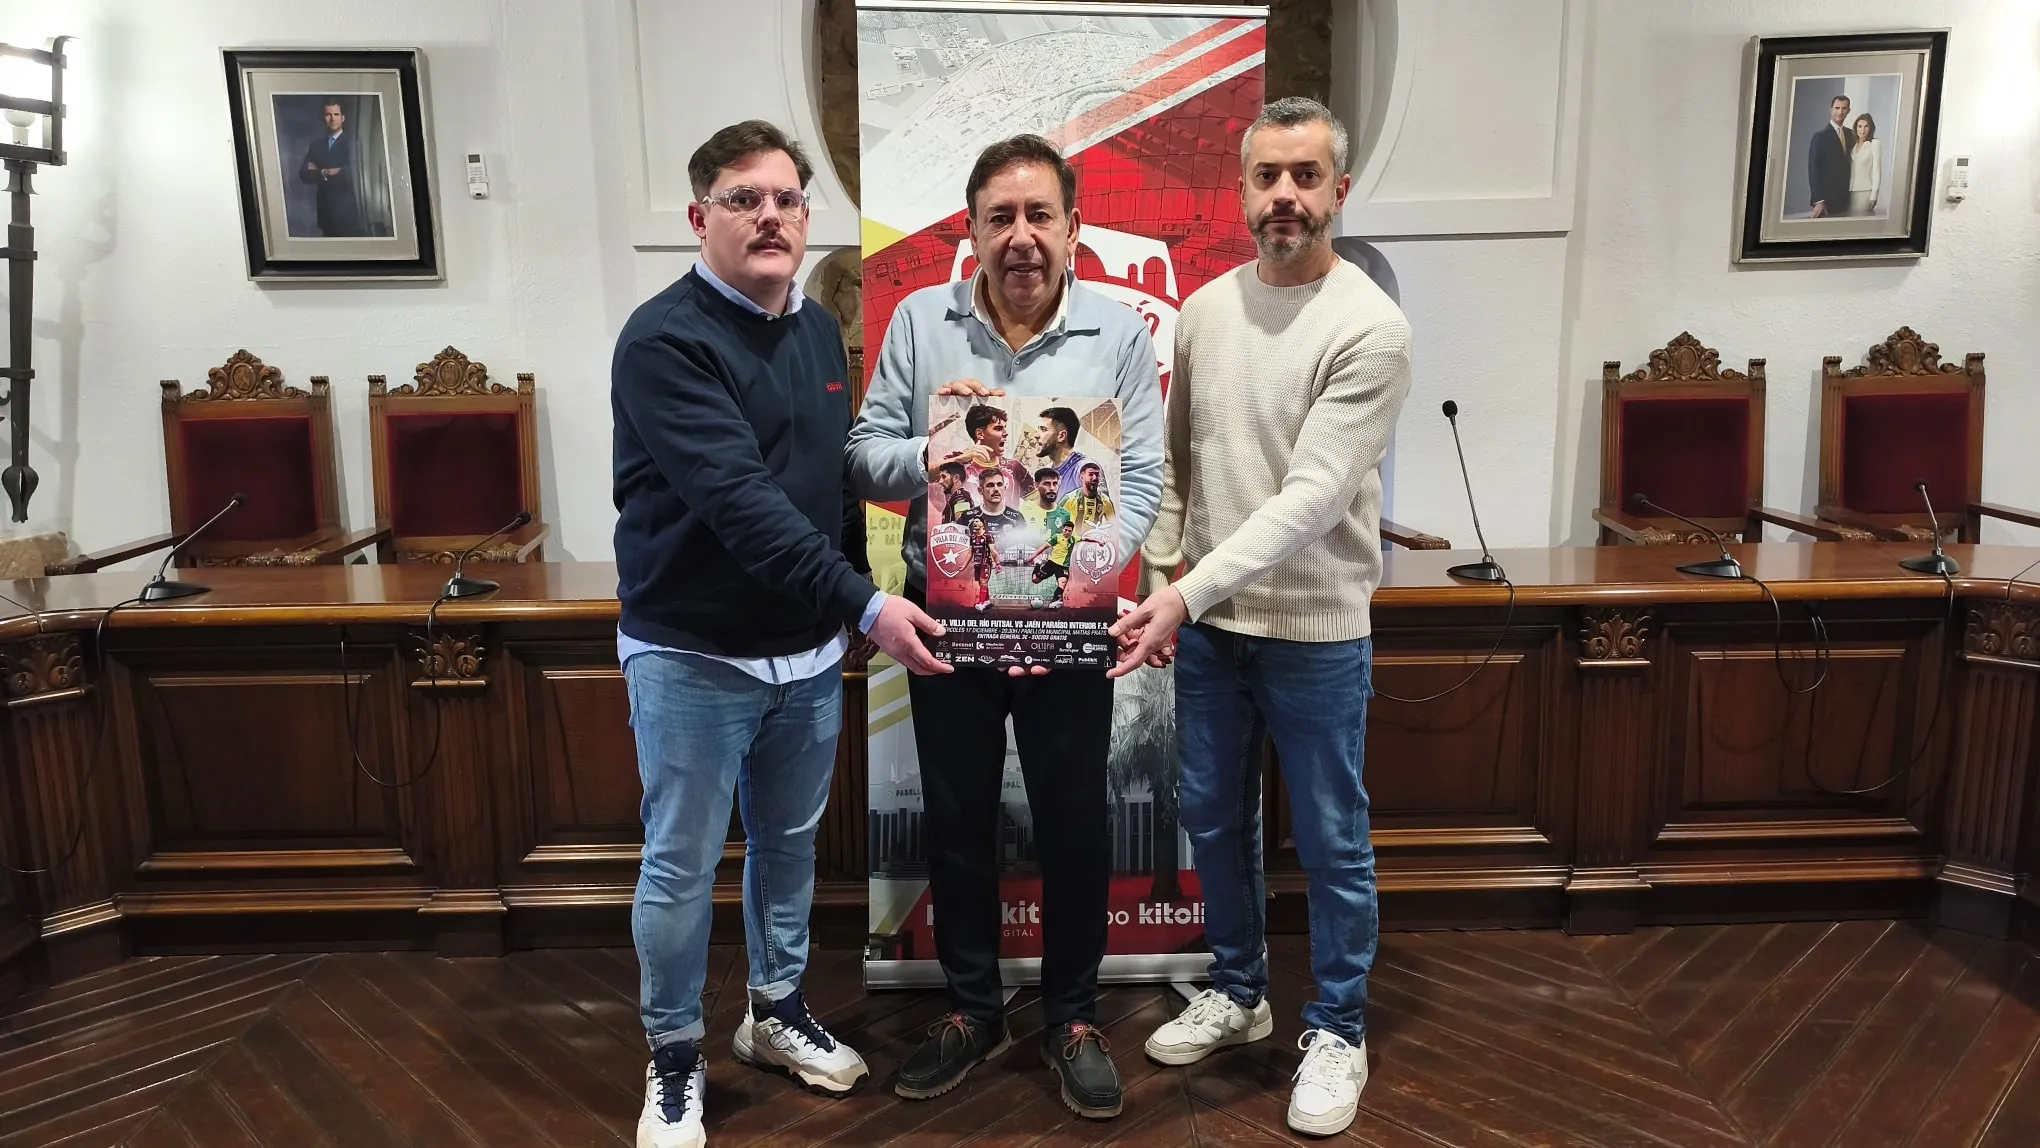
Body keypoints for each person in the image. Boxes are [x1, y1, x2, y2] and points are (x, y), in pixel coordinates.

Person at [612, 118, 950, 1148]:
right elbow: (743, 501)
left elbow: (827, 480)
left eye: (787, 198)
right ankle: (674, 1055)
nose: (769, 215)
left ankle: (774, 1009)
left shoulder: (810, 328)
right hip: (693, 653)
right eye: (743, 198)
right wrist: (868, 602)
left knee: (790, 845)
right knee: (681, 861)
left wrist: (933, 463)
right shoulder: (664, 340)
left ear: (808, 214)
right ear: (698, 217)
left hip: (805, 655)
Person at [1110, 96, 1412, 1138]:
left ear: (1339, 188)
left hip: (1317, 631)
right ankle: (1238, 990)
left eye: (1306, 175)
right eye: (1267, 176)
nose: (1286, 195)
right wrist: (1162, 576)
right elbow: (1183, 465)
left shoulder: (1371, 324)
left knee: (1331, 836)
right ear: (1240, 192)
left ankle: (1339, 1024)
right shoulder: (1203, 310)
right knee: (1210, 817)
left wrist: (1180, 592)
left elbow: (1311, 498)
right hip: (1208, 632)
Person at [846, 132, 1163, 1120]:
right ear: (973, 232)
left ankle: (1071, 1015)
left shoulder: (1116, 335)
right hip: (949, 621)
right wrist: (943, 452)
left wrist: (1089, 569)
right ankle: (973, 1009)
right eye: (1000, 218)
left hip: (1071, 624)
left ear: (1072, 229)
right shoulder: (916, 320)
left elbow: (1142, 480)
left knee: (1075, 821)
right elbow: (861, 456)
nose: (1021, 236)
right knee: (955, 817)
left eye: (1039, 216)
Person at [298, 99, 366, 237]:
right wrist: (325, 172)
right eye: (328, 115)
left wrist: (326, 170)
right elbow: (304, 174)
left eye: (336, 114)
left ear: (343, 118)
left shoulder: (353, 143)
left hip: (348, 215)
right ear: (324, 118)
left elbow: (356, 171)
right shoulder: (316, 146)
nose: (332, 118)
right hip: (325, 214)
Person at [1807, 93, 1855, 218]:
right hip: (1828, 201)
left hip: (1848, 200)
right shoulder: (1820, 137)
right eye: (1837, 108)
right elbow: (1813, 170)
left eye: (1844, 108)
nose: (1840, 112)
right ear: (1831, 110)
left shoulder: (1851, 134)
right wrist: (1819, 200)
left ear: (1848, 111)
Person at [1848, 113, 1882, 217]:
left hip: (1865, 191)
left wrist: (1874, 196)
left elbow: (1877, 171)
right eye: (1860, 126)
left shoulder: (1874, 144)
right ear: (1856, 128)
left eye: (1866, 126)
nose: (1862, 130)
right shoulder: (1852, 145)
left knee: (1860, 223)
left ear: (1871, 128)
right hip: (1850, 191)